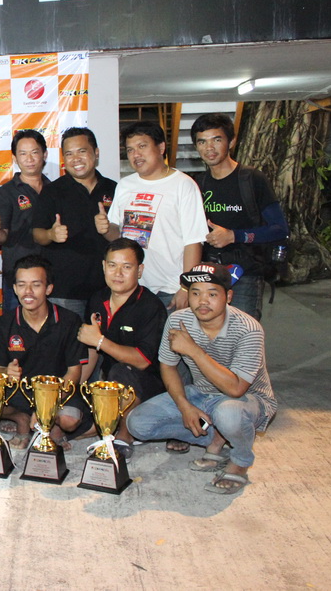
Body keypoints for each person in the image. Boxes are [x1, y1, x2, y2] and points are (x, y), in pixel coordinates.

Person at [127, 263, 277, 494]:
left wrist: (194, 350)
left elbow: (236, 388)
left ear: (228, 296)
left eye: (212, 294)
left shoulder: (249, 329)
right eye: (195, 293)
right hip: (201, 393)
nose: (202, 301)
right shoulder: (178, 320)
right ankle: (216, 438)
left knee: (228, 414)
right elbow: (168, 366)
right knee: (138, 424)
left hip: (247, 399)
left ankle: (240, 460)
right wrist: (184, 406)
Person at [190, 113, 289, 320]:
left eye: (217, 140)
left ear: (231, 141)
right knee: (209, 334)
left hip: (246, 273)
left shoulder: (252, 179)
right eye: (202, 141)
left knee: (243, 332)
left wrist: (234, 236)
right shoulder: (198, 184)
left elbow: (280, 229)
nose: (209, 148)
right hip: (209, 273)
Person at [101, 121, 209, 310]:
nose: (136, 154)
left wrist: (186, 286)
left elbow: (193, 241)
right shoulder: (125, 185)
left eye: (142, 146)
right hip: (132, 289)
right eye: (130, 150)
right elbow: (118, 236)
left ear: (161, 147)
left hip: (170, 290)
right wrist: (105, 228)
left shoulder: (183, 185)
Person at [76, 238, 168, 455]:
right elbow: (91, 350)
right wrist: (74, 388)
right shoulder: (97, 299)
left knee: (121, 370)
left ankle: (125, 435)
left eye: (126, 267)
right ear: (103, 267)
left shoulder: (150, 306)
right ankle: (104, 423)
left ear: (139, 270)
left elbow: (142, 361)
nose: (118, 273)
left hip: (149, 385)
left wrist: (100, 341)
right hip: (108, 381)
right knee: (70, 424)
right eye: (112, 265)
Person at [0, 255, 88, 451]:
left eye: (36, 285)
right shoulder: (3, 324)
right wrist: (6, 372)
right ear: (14, 288)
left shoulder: (69, 321)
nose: (28, 291)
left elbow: (74, 373)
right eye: (22, 285)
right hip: (20, 392)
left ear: (48, 288)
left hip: (58, 392)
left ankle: (54, 425)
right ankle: (21, 419)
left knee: (69, 420)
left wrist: (46, 407)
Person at [32, 127, 117, 318]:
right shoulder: (52, 191)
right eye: (69, 154)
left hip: (107, 289)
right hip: (65, 290)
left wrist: (109, 229)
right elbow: (37, 233)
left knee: (104, 337)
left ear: (96, 153)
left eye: (82, 151)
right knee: (66, 337)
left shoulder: (114, 189)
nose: (75, 159)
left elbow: (125, 235)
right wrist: (51, 234)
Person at [0, 129, 50, 312]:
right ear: (15, 158)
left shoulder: (55, 190)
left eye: (34, 152)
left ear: (44, 154)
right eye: (23, 153)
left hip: (50, 276)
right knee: (15, 327)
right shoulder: (6, 191)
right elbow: (2, 238)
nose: (29, 159)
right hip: (17, 277)